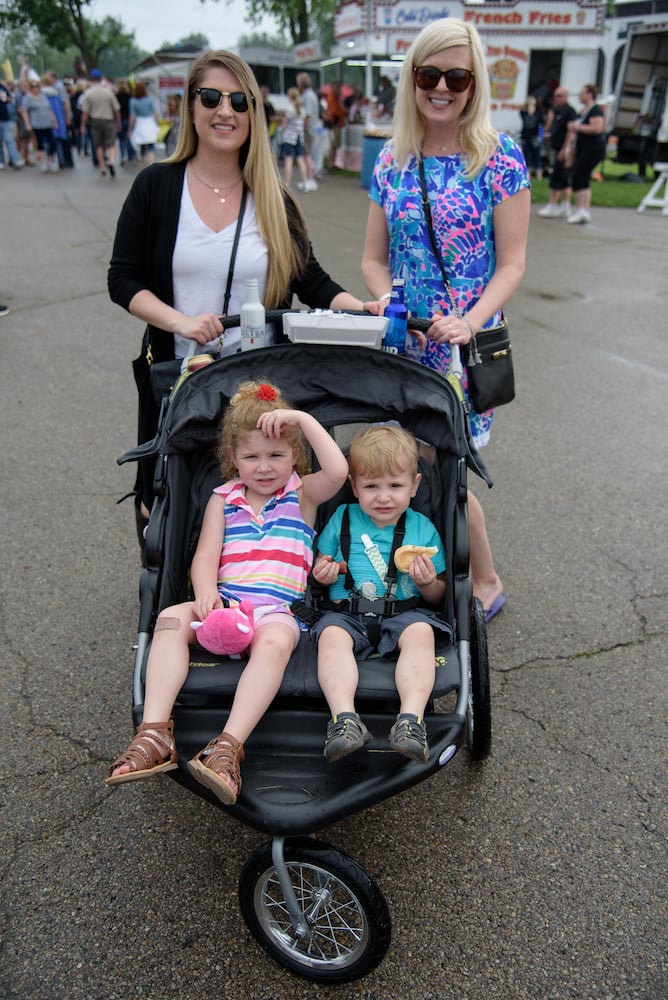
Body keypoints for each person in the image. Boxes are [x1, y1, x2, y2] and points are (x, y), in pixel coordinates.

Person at [108, 50, 383, 532]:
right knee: (168, 497)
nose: (225, 111)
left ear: (255, 114)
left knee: (257, 499)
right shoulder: (157, 186)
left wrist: (358, 308)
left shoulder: (273, 198)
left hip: (257, 384)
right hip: (181, 373)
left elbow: (310, 279)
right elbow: (123, 278)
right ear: (190, 106)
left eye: (240, 101)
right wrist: (181, 322)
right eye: (211, 97)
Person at [107, 379, 349, 805]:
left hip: (276, 610)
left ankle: (227, 746)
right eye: (251, 456)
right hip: (226, 606)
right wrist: (204, 592)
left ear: (294, 455)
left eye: (276, 455)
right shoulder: (224, 498)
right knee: (170, 618)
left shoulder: (302, 494)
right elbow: (205, 557)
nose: (264, 466)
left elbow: (338, 471)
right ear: (233, 458)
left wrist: (301, 419)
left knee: (275, 641)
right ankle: (155, 732)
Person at [361, 17, 531, 622]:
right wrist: (385, 299)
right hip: (404, 345)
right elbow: (372, 259)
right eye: (428, 74)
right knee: (400, 471)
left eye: (455, 76)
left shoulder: (498, 156)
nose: (441, 87)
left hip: (461, 351)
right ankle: (415, 577)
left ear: (474, 81)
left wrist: (469, 320)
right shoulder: (392, 159)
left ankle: (485, 581)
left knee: (444, 471)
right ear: (411, 79)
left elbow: (512, 265)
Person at [312, 426, 448, 764]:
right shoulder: (342, 518)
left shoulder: (422, 529)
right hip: (346, 611)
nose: (383, 497)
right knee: (330, 637)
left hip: (405, 612)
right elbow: (322, 564)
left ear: (414, 486)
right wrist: (323, 571)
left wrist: (429, 582)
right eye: (371, 486)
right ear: (354, 486)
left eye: (395, 486)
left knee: (421, 633)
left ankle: (411, 721)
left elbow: (438, 596)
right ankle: (344, 720)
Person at [565, 84, 607, 225]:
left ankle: (581, 209)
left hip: (593, 148)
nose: (579, 96)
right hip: (582, 148)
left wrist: (577, 127)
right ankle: (584, 209)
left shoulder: (595, 110)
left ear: (590, 94)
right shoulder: (582, 111)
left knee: (578, 174)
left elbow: (597, 128)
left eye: (582, 93)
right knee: (583, 177)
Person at [80, 69, 120, 178]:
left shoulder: (88, 93)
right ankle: (111, 161)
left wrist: (82, 125)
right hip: (109, 120)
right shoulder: (108, 92)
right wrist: (118, 122)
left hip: (95, 121)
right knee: (111, 143)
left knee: (99, 145)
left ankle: (102, 166)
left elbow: (85, 112)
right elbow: (116, 109)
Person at [19, 78, 59, 173]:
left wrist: (54, 121)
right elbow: (24, 111)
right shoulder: (28, 98)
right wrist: (27, 123)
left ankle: (50, 158)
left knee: (52, 142)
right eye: (33, 87)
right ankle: (43, 162)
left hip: (47, 123)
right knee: (40, 144)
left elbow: (49, 110)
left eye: (37, 86)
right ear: (31, 88)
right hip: (37, 124)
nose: (36, 88)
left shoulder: (43, 96)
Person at [279, 87, 308, 190]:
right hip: (299, 137)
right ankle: (305, 183)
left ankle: (287, 184)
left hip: (289, 138)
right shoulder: (302, 110)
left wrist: (282, 130)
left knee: (289, 160)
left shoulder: (289, 109)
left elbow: (284, 124)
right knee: (300, 159)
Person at [296, 72, 319, 190]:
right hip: (311, 129)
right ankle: (310, 179)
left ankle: (310, 179)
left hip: (308, 131)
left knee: (306, 156)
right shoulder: (312, 95)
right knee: (307, 155)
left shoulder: (307, 96)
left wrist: (302, 130)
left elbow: (307, 116)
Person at [129, 81, 159, 167]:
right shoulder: (149, 100)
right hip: (149, 122)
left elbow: (132, 116)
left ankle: (143, 164)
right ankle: (152, 163)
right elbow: (155, 112)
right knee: (151, 144)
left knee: (142, 144)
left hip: (140, 122)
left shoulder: (133, 101)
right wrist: (157, 123)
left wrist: (130, 128)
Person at [0, 80, 25, 168]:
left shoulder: (2, 87)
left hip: (6, 118)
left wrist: (5, 98)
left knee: (9, 140)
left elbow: (10, 99)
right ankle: (1, 161)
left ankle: (16, 160)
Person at [519, 95, 543, 180]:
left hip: (525, 136)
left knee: (527, 158)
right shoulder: (538, 112)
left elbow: (521, 111)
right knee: (537, 157)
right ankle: (539, 176)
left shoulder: (524, 113)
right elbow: (541, 124)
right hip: (535, 137)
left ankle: (527, 176)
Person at [325, 81, 347, 170]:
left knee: (335, 145)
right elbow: (335, 111)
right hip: (335, 124)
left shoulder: (336, 98)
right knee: (333, 145)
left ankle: (333, 162)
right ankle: (330, 163)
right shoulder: (332, 98)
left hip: (337, 123)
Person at [115, 78, 136, 165]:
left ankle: (123, 155)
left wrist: (117, 121)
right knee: (129, 137)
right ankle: (131, 155)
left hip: (120, 119)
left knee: (121, 139)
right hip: (129, 119)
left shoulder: (116, 96)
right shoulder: (130, 97)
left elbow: (116, 110)